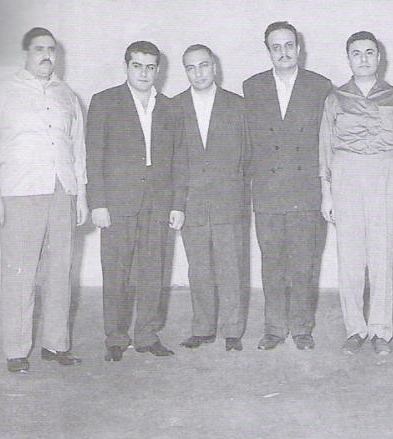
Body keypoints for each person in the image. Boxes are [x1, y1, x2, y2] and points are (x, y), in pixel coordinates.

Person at [0, 27, 87, 373]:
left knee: (61, 271)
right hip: (20, 192)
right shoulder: (4, 92)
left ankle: (55, 344)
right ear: (26, 54)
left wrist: (81, 196)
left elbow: (78, 149)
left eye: (51, 49)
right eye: (39, 49)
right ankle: (17, 350)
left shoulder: (68, 95)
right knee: (19, 273)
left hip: (62, 191)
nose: (47, 55)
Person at [86, 41, 181, 362]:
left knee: (153, 271)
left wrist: (177, 204)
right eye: (137, 66)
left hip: (158, 202)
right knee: (116, 272)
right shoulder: (105, 102)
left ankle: (147, 335)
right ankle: (115, 337)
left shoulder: (170, 108)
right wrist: (98, 203)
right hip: (117, 203)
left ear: (158, 70)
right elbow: (94, 156)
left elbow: (179, 159)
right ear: (126, 67)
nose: (143, 73)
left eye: (150, 67)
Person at [319, 31, 393, 356]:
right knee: (350, 257)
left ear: (379, 57)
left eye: (369, 52)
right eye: (356, 53)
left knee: (382, 255)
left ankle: (380, 331)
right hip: (346, 174)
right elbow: (325, 146)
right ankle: (355, 329)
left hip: (385, 172)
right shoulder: (335, 98)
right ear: (348, 58)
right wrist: (327, 193)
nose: (363, 58)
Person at [242, 21, 332, 351]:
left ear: (299, 48)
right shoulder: (252, 86)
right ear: (268, 51)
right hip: (267, 192)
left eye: (289, 45)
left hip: (305, 192)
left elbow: (327, 141)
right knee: (272, 264)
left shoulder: (320, 86)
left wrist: (326, 188)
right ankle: (274, 328)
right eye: (276, 47)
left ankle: (302, 327)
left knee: (304, 264)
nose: (284, 52)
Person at [173, 44, 249, 352]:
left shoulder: (237, 105)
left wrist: (235, 189)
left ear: (214, 67)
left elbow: (248, 154)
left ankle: (232, 330)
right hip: (191, 201)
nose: (198, 73)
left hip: (228, 200)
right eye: (191, 68)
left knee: (231, 266)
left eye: (203, 65)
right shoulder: (174, 107)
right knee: (199, 268)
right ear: (185, 71)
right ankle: (203, 328)